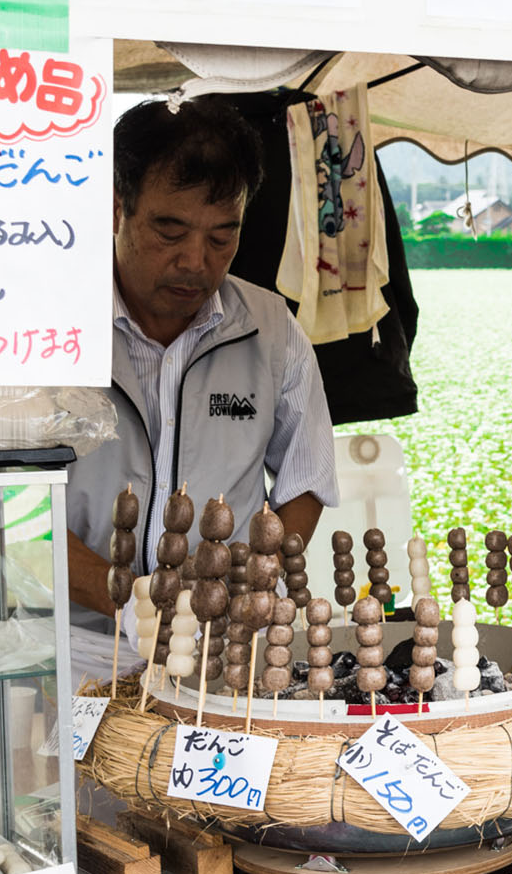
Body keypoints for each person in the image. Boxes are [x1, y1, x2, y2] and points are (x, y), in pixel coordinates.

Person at [66, 98, 338, 657]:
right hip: (74, 644)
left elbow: (305, 480)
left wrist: (251, 584)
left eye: (221, 237)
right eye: (170, 230)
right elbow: (7, 515)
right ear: (116, 208)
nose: (196, 261)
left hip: (222, 649)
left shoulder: (271, 331)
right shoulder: (47, 331)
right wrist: (125, 602)